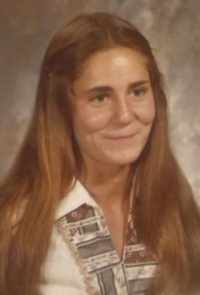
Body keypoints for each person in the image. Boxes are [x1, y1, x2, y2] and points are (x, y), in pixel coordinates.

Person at [0, 12, 200, 295]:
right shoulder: (15, 224)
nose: (124, 115)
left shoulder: (178, 208)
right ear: (62, 108)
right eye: (100, 97)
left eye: (138, 92)